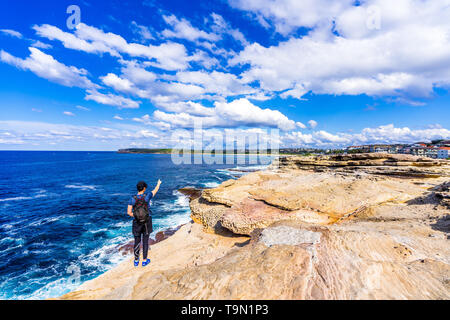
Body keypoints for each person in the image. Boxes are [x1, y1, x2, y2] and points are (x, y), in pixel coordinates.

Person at [127, 179, 162, 267]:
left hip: (136, 222)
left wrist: (137, 216)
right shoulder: (147, 196)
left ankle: (136, 260)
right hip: (147, 221)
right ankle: (144, 261)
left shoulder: (132, 198)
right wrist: (158, 183)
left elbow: (129, 212)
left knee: (137, 241)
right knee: (145, 241)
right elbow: (155, 190)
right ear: (144, 188)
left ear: (138, 188)